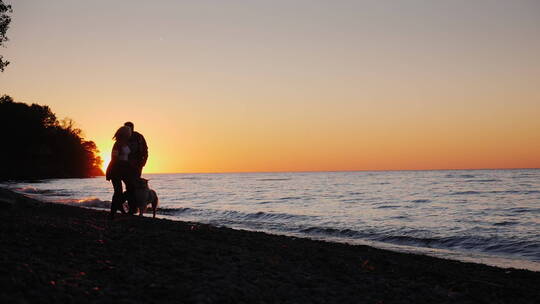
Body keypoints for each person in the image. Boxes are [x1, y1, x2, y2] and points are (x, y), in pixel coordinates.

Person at [106, 126, 136, 219]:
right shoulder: (117, 144)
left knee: (131, 189)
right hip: (116, 170)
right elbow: (114, 158)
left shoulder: (127, 143)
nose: (130, 134)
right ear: (125, 133)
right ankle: (112, 214)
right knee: (118, 192)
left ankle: (119, 204)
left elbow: (128, 156)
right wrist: (126, 163)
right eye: (129, 133)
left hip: (125, 170)